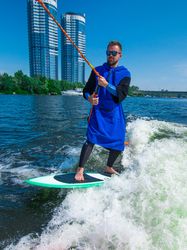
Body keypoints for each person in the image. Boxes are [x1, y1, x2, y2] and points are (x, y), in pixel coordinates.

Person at [75, 41, 131, 181]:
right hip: (98, 111)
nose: (110, 55)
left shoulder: (125, 73)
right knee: (90, 139)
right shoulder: (97, 70)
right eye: (108, 53)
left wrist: (107, 85)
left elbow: (121, 95)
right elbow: (86, 90)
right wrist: (89, 99)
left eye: (113, 53)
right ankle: (80, 169)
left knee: (118, 142)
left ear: (120, 55)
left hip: (115, 113)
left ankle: (109, 166)